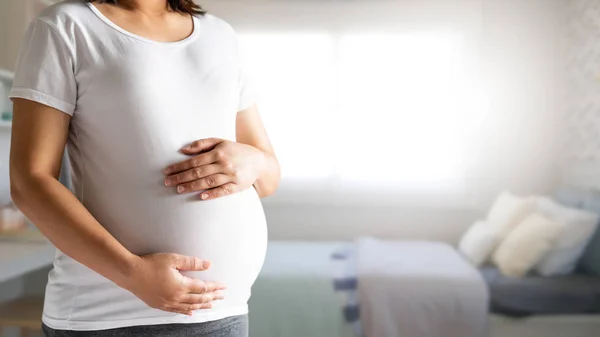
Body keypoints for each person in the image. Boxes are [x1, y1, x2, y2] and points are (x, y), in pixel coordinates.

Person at [8, 0, 280, 336]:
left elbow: (268, 176)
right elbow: (29, 180)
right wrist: (132, 273)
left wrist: (252, 162)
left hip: (223, 312)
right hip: (109, 317)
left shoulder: (220, 35)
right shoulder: (66, 27)